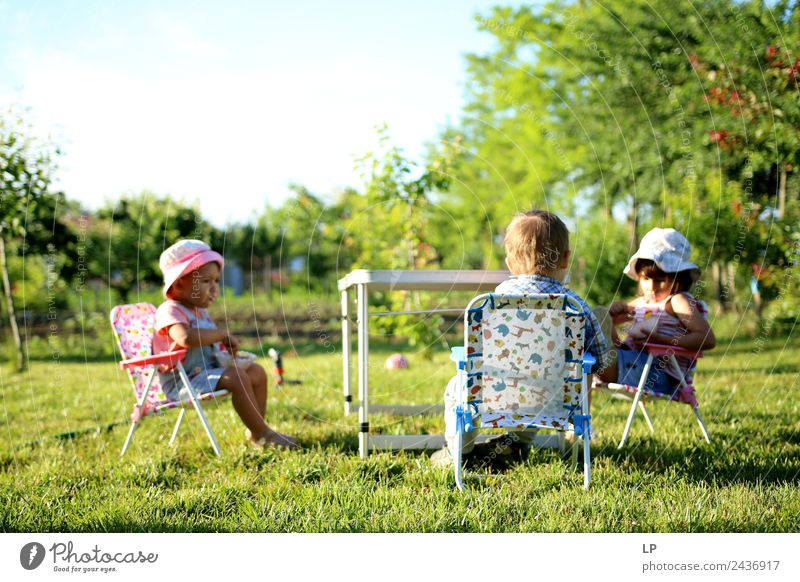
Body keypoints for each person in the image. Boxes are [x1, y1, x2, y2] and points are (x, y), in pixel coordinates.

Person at [431, 210, 613, 467]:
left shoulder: (494, 301)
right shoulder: (575, 306)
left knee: (457, 390)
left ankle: (459, 453)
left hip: (496, 395)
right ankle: (517, 443)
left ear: (510, 263)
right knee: (540, 383)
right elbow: (600, 357)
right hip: (556, 399)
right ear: (565, 259)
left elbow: (478, 349)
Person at [153, 239, 297, 449]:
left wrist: (226, 351)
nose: (214, 288)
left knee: (256, 372)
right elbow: (185, 338)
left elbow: (208, 344)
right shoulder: (169, 311)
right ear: (179, 284)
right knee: (237, 376)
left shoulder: (200, 312)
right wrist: (221, 334)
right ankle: (263, 434)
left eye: (216, 281)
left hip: (206, 372)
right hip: (184, 382)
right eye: (205, 281)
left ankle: (255, 431)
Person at [598, 228, 716, 394]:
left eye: (660, 280)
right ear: (639, 276)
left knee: (594, 349)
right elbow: (611, 322)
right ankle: (597, 354)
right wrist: (612, 313)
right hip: (631, 360)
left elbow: (707, 339)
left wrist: (663, 340)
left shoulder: (677, 301)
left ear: (678, 277)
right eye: (646, 278)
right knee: (600, 316)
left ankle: (597, 357)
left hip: (657, 375)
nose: (652, 287)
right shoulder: (643, 302)